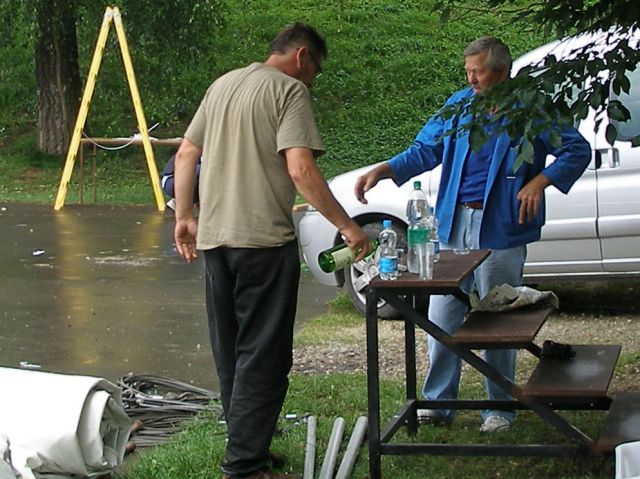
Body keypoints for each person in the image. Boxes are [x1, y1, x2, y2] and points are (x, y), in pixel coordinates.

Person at [354, 36, 591, 433]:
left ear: (502, 71)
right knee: (442, 313)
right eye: (467, 72)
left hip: (501, 225)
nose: (471, 79)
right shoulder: (461, 104)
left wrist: (541, 182)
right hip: (452, 224)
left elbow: (576, 149)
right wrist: (386, 170)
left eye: (477, 72)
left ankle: (499, 409)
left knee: (498, 318)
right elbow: (425, 150)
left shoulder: (531, 106)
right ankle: (438, 402)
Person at [172, 23, 370, 479]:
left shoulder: (223, 84)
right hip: (262, 242)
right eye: (316, 71)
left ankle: (249, 446)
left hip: (216, 242)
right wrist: (347, 226)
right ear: (303, 57)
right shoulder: (289, 92)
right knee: (263, 354)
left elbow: (185, 155)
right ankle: (244, 467)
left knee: (233, 350)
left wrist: (184, 217)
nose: (313, 81)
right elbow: (300, 169)